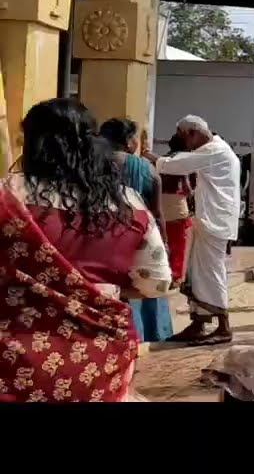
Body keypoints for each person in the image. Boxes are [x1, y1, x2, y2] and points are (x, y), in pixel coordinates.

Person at [1, 98, 170, 402]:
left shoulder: (6, 197)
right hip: (99, 363)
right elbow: (157, 282)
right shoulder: (128, 204)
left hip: (13, 361)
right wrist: (96, 290)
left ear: (32, 142)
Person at [154, 115, 241, 346]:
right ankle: (198, 323)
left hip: (214, 223)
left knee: (211, 274)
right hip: (208, 222)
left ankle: (223, 325)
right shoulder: (216, 150)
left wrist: (146, 156)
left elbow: (176, 166)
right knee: (196, 273)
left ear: (192, 133)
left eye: (184, 137)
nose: (186, 144)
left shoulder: (216, 151)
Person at [100, 116, 171, 343]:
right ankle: (148, 335)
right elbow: (157, 213)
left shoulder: (90, 164)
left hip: (103, 238)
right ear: (129, 140)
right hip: (140, 237)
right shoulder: (147, 169)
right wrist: (164, 244)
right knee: (144, 290)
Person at [159, 133, 195, 285]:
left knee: (163, 241)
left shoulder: (162, 160)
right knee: (178, 244)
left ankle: (163, 272)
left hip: (161, 204)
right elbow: (186, 188)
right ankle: (175, 276)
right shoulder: (183, 162)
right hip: (177, 206)